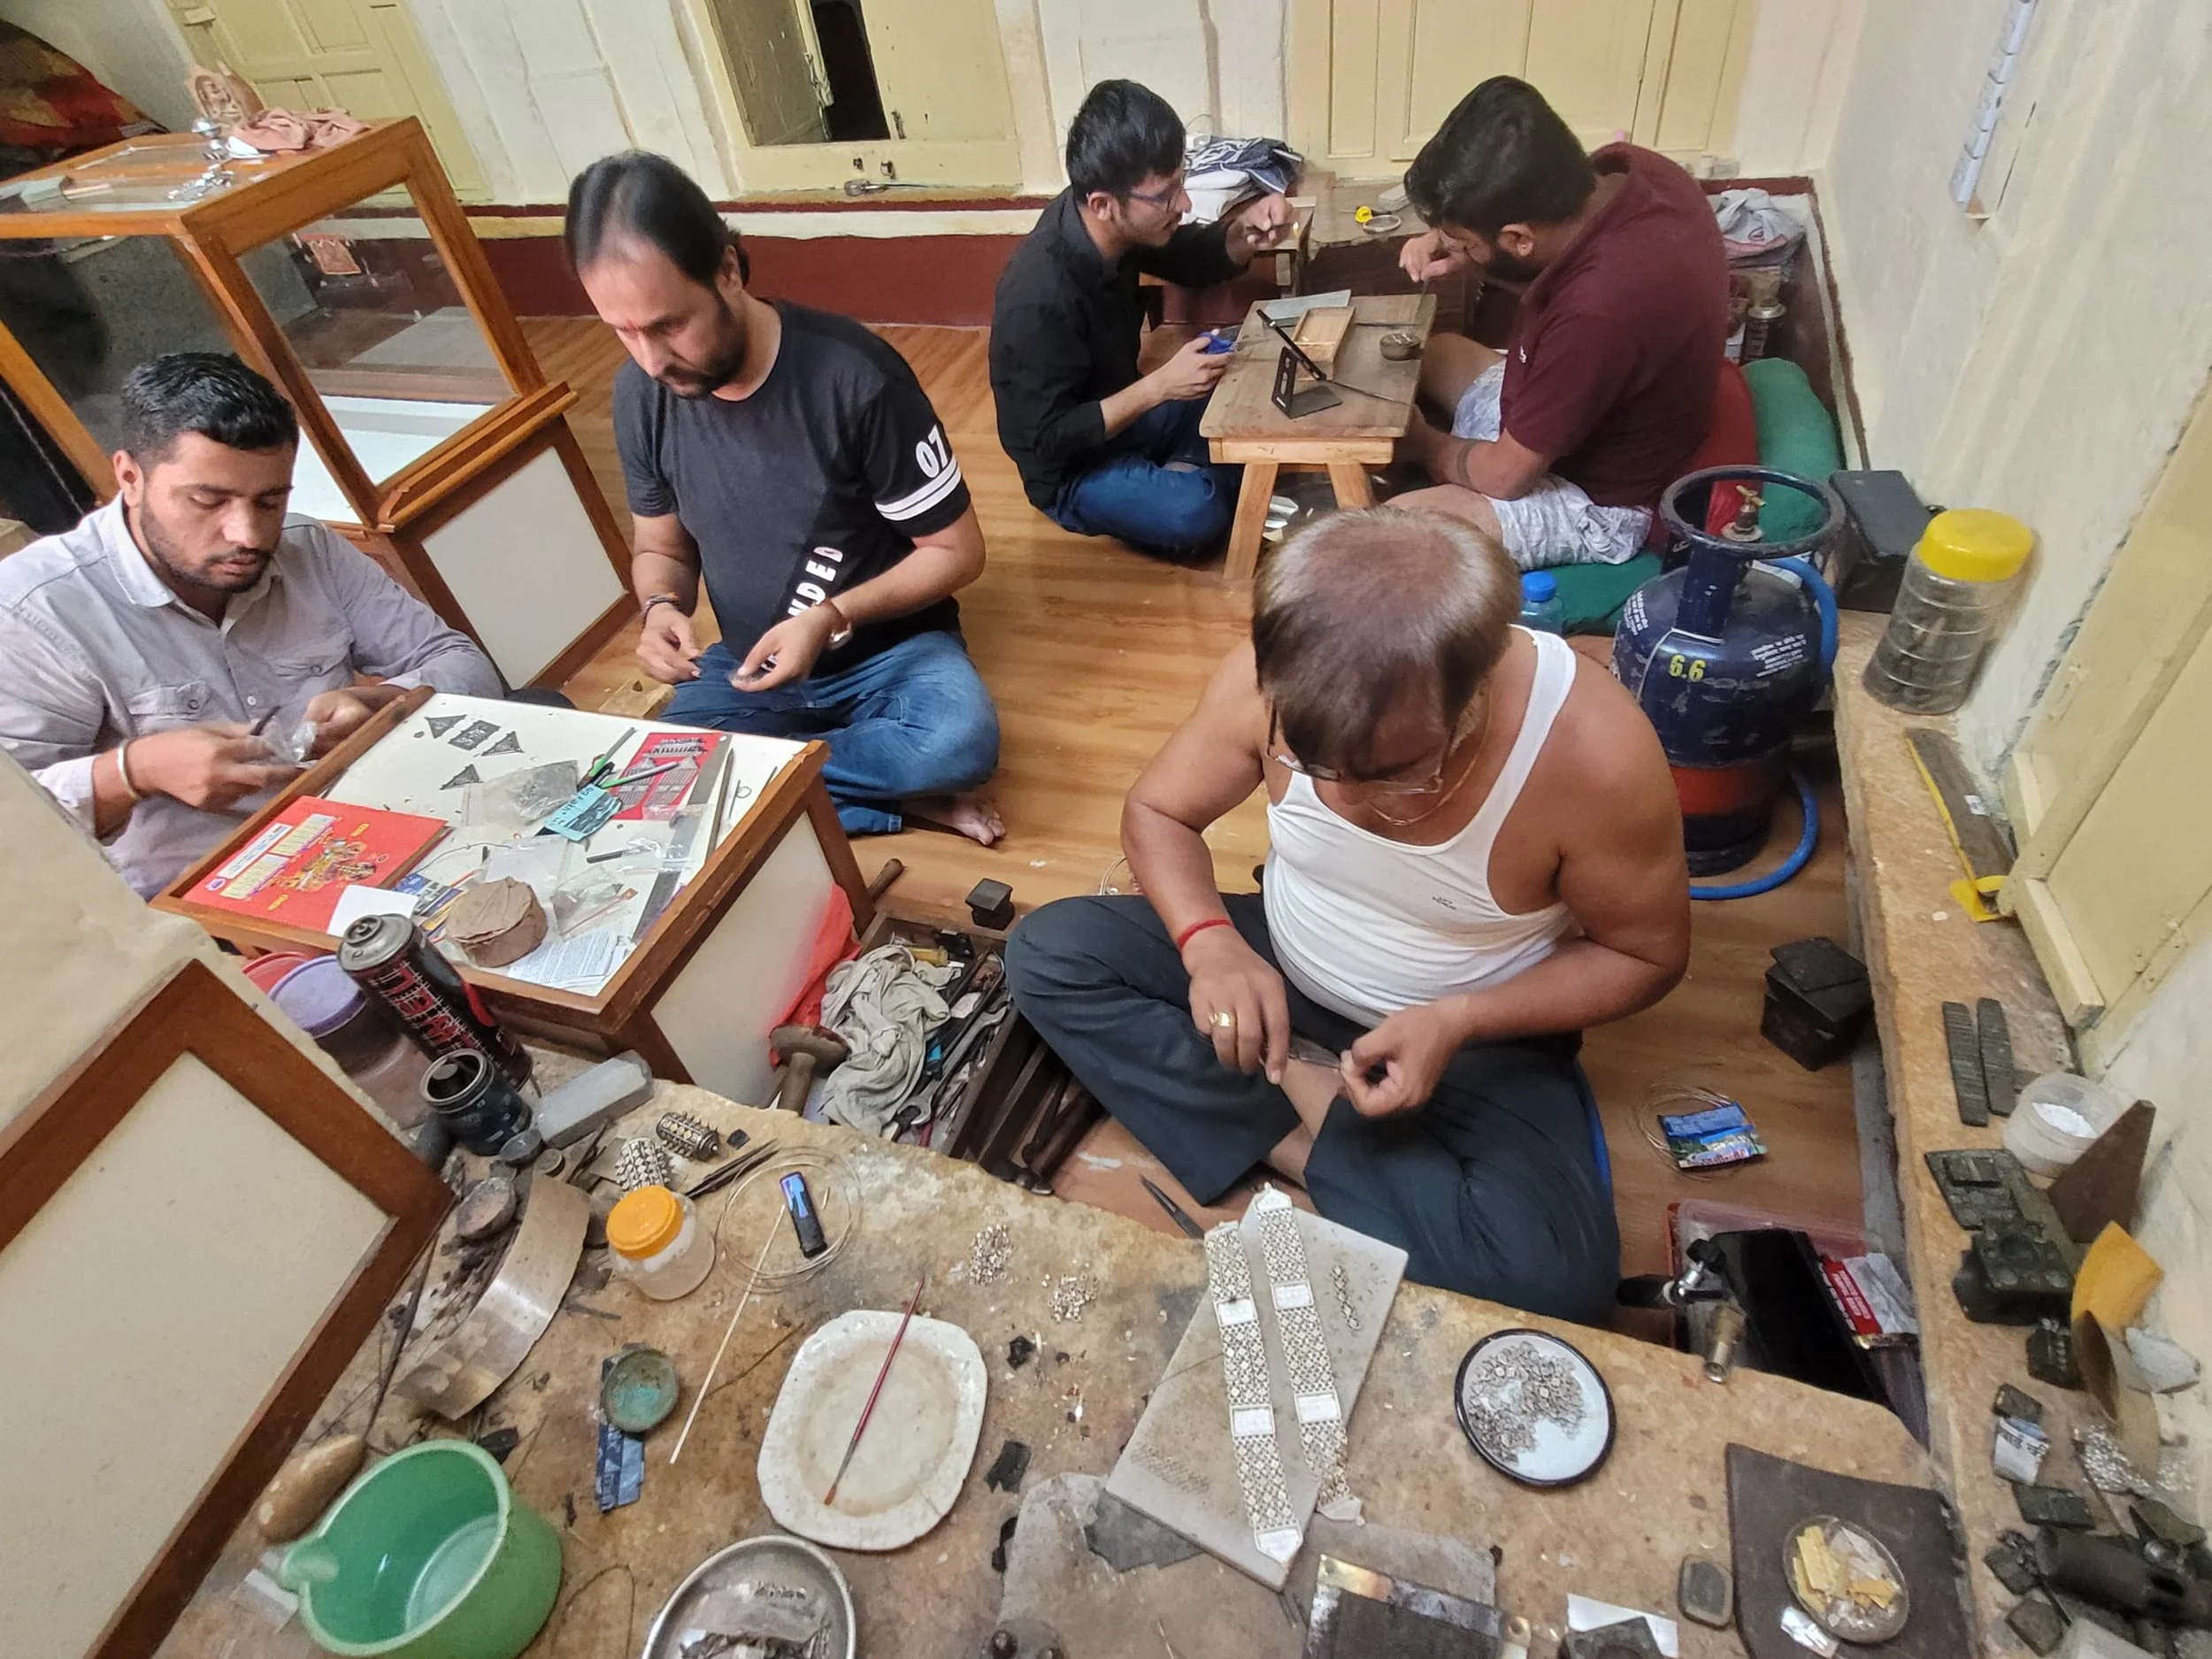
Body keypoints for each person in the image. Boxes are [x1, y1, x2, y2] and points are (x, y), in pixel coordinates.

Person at [1006, 509, 1690, 1320]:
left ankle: (1282, 1119)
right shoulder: (1265, 681)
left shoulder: (1592, 750)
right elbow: (1158, 811)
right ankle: (1311, 1129)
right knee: (1049, 954)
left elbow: (1647, 956)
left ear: (1476, 696)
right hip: (1283, 960)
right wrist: (1209, 944)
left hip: (1478, 1029)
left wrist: (1458, 1019)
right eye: (1310, 760)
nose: (1343, 799)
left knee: (1556, 1287)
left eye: (1393, 774)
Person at [566, 150, 1004, 843]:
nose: (649, 358)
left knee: (958, 741)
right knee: (642, 784)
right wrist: (659, 608)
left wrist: (830, 616)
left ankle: (797, 786)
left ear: (729, 271)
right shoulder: (641, 393)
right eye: (622, 331)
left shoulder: (855, 378)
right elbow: (659, 546)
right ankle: (892, 801)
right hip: (751, 667)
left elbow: (957, 552)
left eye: (667, 324)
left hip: (884, 656)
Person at [0, 352, 501, 898]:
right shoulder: (35, 611)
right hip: (202, 897)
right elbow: (15, 832)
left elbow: (461, 662)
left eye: (269, 502)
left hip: (363, 833)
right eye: (208, 501)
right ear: (130, 478)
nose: (248, 535)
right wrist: (134, 771)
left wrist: (383, 706)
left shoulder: (311, 550)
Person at [1389, 77, 1728, 571]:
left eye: (1462, 240)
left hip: (1596, 495)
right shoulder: (1635, 170)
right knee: (1437, 353)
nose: (1453, 247)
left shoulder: (1601, 308)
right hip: (1583, 404)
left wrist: (1426, 446)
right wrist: (1461, 236)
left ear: (1519, 238)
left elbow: (1508, 477)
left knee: (1396, 530)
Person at [989, 80, 1292, 557]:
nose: (1185, 205)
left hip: (1127, 420)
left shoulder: (1115, 228)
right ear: (1104, 205)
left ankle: (1194, 470)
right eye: (1166, 196)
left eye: (1182, 183)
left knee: (1239, 367)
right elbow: (1043, 440)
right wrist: (1160, 387)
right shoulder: (1037, 297)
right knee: (1194, 512)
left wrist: (1243, 234)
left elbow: (1188, 256)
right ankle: (1201, 475)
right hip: (1073, 470)